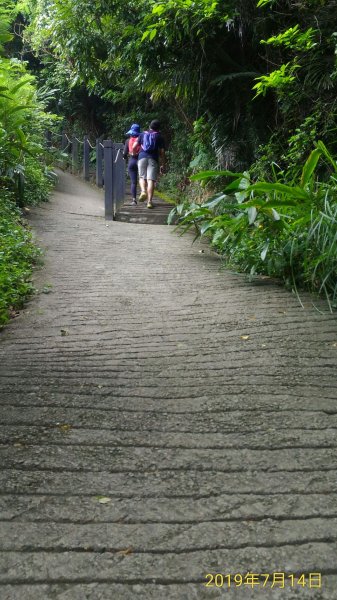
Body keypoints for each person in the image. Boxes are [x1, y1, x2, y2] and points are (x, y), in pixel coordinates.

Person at [134, 119, 165, 209]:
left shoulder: (142, 134)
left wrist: (134, 153)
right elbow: (162, 152)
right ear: (158, 128)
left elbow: (134, 146)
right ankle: (149, 202)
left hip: (142, 157)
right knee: (151, 180)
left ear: (150, 126)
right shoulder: (159, 136)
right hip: (153, 159)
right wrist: (163, 164)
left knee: (141, 177)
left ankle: (143, 191)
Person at [123, 123, 141, 205]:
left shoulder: (127, 141)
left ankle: (134, 200)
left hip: (132, 161)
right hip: (141, 160)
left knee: (133, 182)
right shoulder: (141, 139)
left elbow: (125, 153)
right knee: (143, 179)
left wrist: (124, 158)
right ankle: (146, 196)